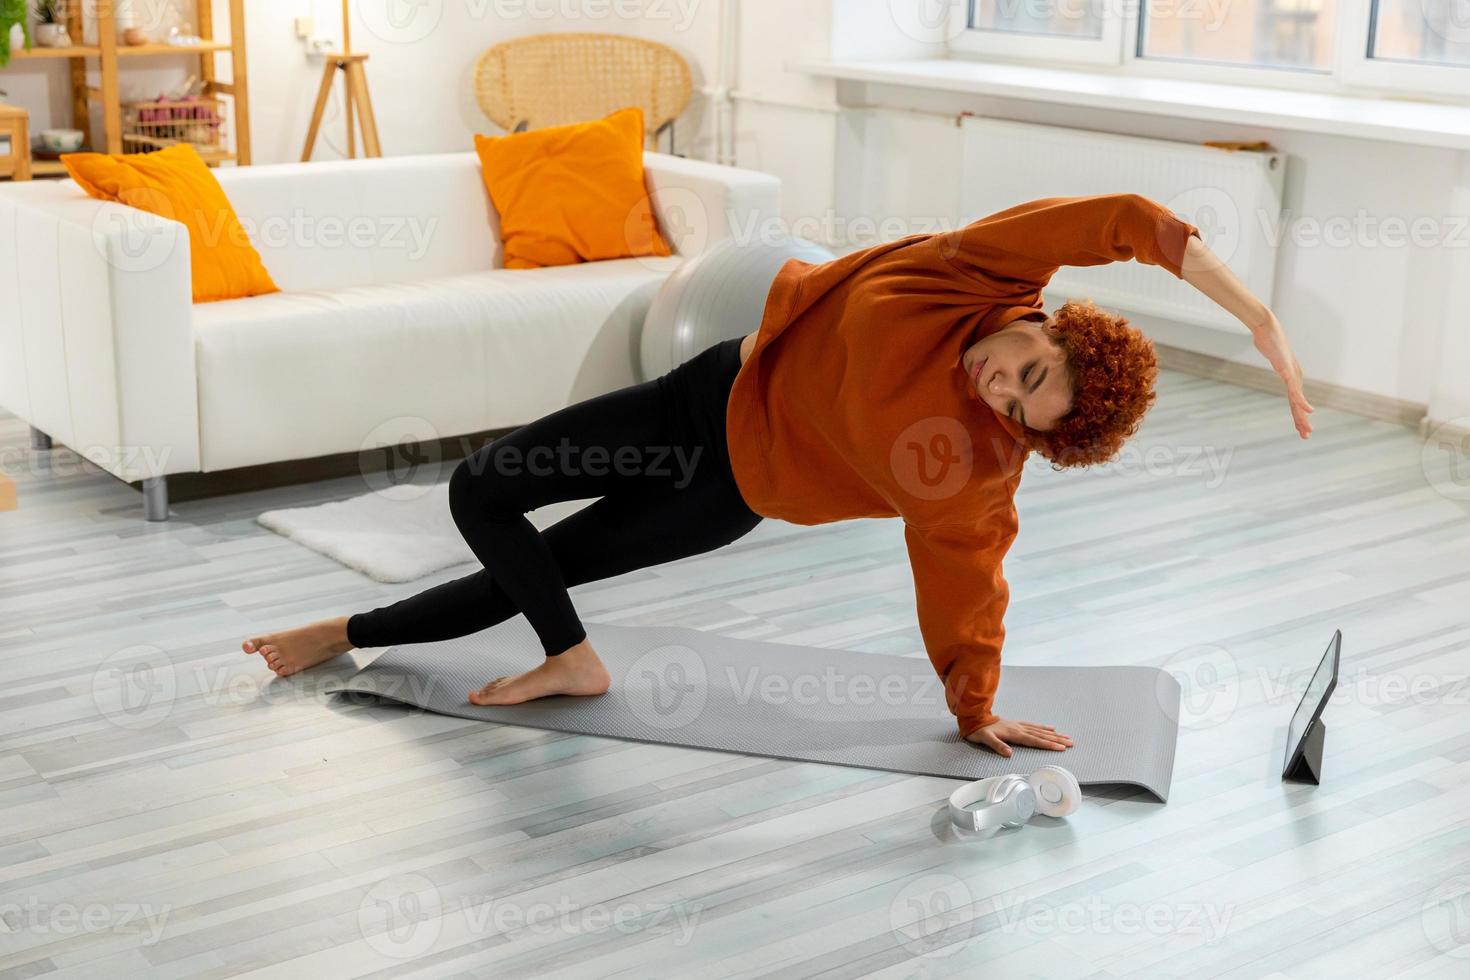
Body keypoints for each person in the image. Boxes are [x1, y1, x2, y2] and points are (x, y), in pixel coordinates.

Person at [242, 193, 1312, 757]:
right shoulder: (979, 270)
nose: (1000, 388)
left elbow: (968, 584)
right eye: (1025, 369)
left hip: (726, 492)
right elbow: (1127, 217)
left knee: (547, 563)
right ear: (1046, 319)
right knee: (480, 489)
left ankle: (353, 632)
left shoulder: (970, 472)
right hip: (696, 395)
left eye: (1020, 411)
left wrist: (975, 707)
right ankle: (569, 655)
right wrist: (1254, 313)